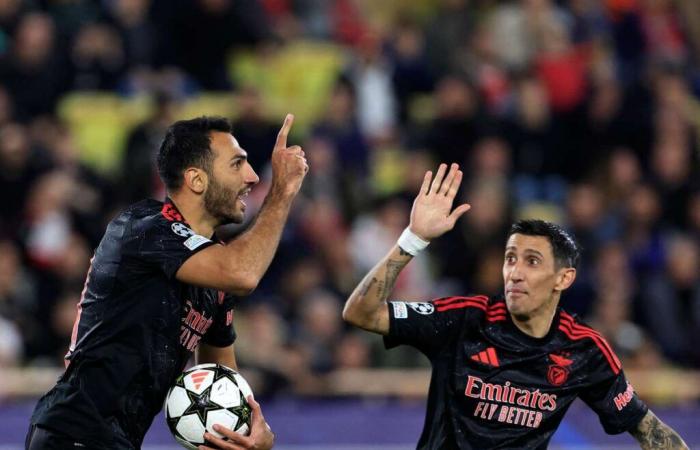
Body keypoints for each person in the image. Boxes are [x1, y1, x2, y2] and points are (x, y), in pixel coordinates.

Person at [342, 163, 689, 449]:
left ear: (563, 278)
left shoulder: (583, 350)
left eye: (532, 261)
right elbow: (361, 312)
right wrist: (413, 239)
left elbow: (648, 430)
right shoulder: (463, 319)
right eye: (511, 258)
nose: (515, 273)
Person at [26, 114, 308, 450]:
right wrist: (281, 191)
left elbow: (221, 380)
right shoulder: (143, 227)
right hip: (73, 433)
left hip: (114, 441)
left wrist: (248, 435)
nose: (251, 177)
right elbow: (243, 273)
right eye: (237, 164)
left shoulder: (213, 274)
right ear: (196, 179)